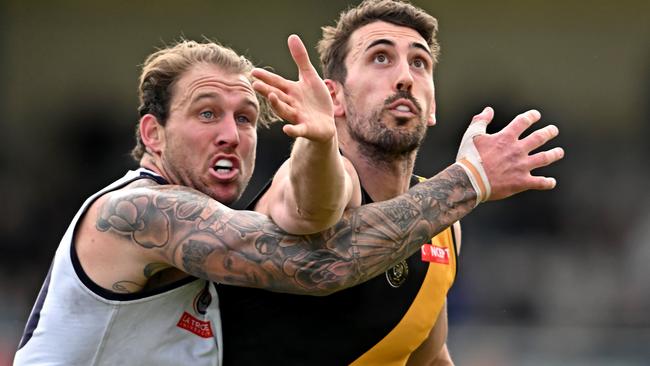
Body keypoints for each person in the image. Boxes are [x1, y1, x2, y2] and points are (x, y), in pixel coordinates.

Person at [14, 34, 560, 365]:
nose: (231, 134)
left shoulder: (205, 226)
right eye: (207, 114)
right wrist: (469, 180)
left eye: (247, 118)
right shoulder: (137, 214)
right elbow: (319, 265)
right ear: (153, 135)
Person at [218, 0, 564, 365]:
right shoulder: (314, 175)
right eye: (380, 58)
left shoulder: (445, 228)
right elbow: (311, 208)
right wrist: (318, 142)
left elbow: (426, 358)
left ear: (432, 107)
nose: (405, 77)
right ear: (333, 97)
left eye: (419, 63)